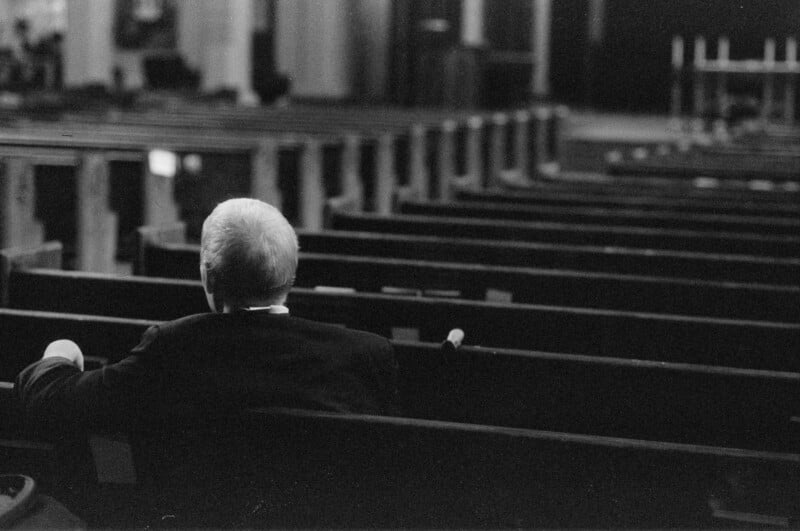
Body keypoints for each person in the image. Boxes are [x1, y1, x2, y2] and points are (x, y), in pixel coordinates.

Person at [16, 198, 400, 437]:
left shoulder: (171, 349)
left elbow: (52, 403)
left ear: (207, 277)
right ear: (292, 276)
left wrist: (60, 353)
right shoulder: (366, 355)